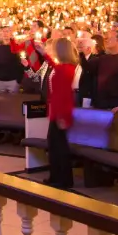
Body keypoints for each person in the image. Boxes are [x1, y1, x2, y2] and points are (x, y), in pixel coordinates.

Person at [45, 38, 77, 190]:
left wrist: (61, 116)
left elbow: (63, 95)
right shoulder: (62, 67)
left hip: (61, 112)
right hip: (57, 111)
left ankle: (62, 179)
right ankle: (56, 176)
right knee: (54, 144)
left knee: (59, 146)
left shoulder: (65, 69)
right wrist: (43, 54)